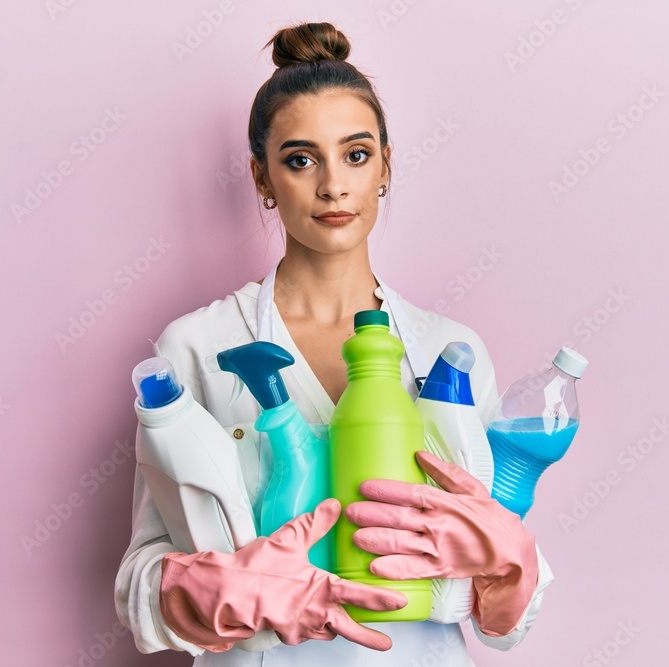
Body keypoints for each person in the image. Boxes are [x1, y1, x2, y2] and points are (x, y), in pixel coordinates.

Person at [114, 21, 554, 666]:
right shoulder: (200, 346)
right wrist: (220, 588)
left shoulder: (447, 351)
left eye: (355, 154)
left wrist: (510, 560)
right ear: (263, 178)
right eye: (299, 159)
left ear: (385, 167)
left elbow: (501, 625)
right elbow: (139, 585)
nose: (332, 185)